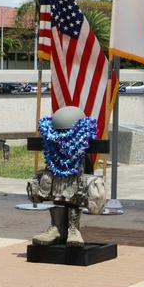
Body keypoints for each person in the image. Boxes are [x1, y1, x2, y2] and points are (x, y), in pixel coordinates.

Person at [27, 106, 106, 247]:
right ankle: (57, 228)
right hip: (56, 170)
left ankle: (73, 229)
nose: (62, 135)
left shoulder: (82, 141)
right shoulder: (52, 141)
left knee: (76, 190)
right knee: (55, 189)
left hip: (76, 171)